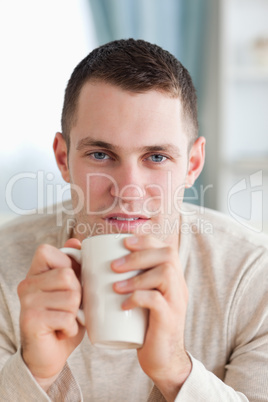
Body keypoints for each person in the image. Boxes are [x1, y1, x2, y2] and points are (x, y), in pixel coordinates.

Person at [0, 38, 267, 402]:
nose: (128, 191)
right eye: (100, 154)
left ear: (192, 164)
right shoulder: (4, 268)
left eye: (156, 157)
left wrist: (176, 371)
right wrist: (33, 374)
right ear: (63, 159)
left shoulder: (252, 277)